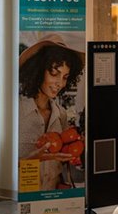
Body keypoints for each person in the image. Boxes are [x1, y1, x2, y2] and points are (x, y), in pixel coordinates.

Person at [18, 33, 85, 190]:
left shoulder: (60, 114)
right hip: (21, 197)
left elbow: (61, 160)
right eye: (54, 74)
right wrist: (32, 159)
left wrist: (74, 153)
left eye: (65, 77)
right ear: (38, 71)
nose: (59, 83)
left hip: (51, 198)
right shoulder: (15, 111)